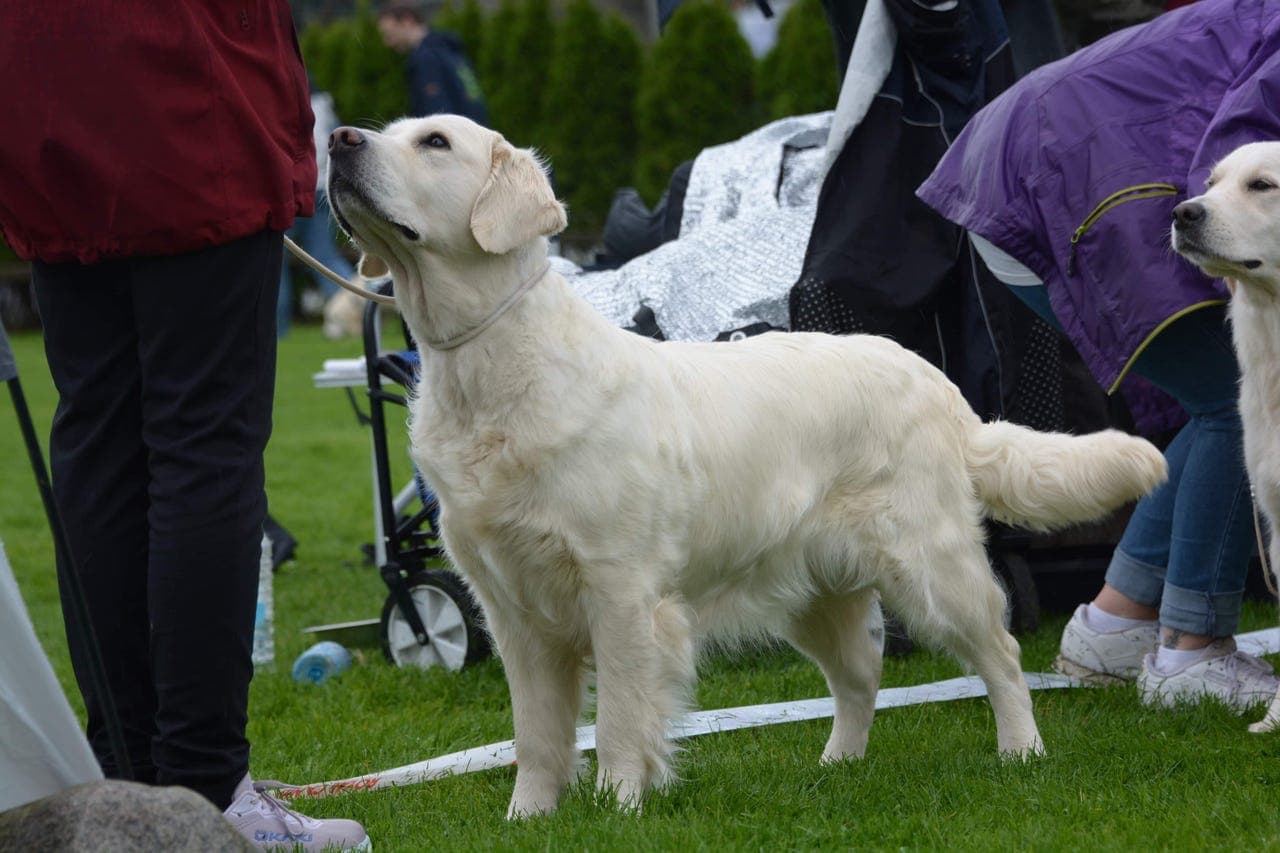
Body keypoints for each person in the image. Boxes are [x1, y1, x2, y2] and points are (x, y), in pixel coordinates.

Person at [0, 4, 369, 850]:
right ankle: (204, 791)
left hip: (47, 92)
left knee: (99, 437)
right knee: (201, 444)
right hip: (180, 83)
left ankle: (124, 783)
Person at [918, 0, 1280, 711]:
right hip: (1059, 180)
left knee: (1217, 405)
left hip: (1022, 172)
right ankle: (1191, 651)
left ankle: (1114, 626)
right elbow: (1241, 148)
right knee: (1232, 407)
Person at [279, 84, 357, 339]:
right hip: (320, 187)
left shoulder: (282, 93)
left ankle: (276, 329)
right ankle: (357, 311)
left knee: (275, 262)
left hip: (291, 188)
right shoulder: (322, 98)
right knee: (325, 258)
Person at [377, 0, 489, 125]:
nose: (387, 42)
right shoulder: (449, 50)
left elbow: (437, 118)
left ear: (407, 21)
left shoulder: (426, 58)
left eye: (389, 34)